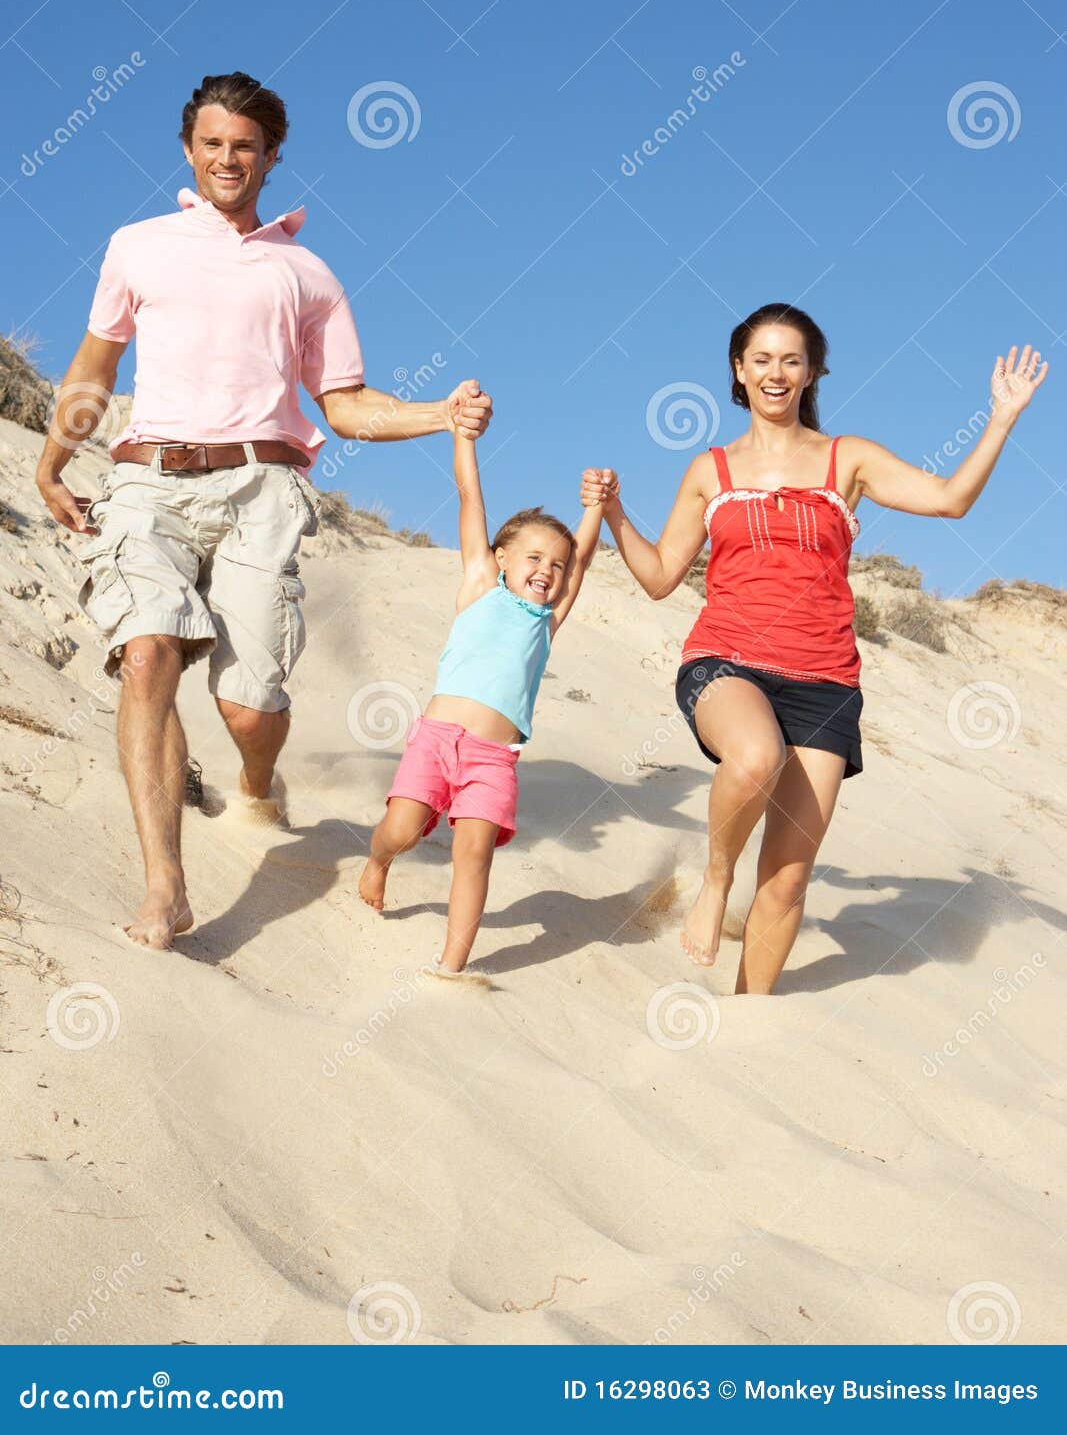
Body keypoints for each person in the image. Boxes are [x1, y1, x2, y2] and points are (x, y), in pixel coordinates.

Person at [35, 71, 492, 951]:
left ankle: (254, 781)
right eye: (211, 143)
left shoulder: (307, 272)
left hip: (263, 488)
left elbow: (347, 404)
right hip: (148, 478)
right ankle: (165, 887)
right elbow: (95, 368)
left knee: (248, 707)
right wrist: (54, 460)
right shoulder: (138, 246)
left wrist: (439, 414)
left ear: (272, 157)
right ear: (187, 150)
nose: (226, 159)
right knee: (147, 654)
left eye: (244, 146)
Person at [582, 304, 1048, 994]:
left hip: (824, 678)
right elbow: (657, 579)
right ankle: (715, 881)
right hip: (726, 658)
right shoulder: (709, 471)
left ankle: (750, 1019)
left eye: (790, 360)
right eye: (761, 359)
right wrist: (617, 513)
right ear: (738, 371)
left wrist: (1001, 418)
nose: (776, 373)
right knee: (754, 755)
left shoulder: (847, 458)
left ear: (811, 372)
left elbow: (949, 501)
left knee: (790, 878)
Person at [358, 432, 611, 974]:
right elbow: (470, 497)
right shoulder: (479, 587)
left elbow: (584, 560)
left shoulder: (548, 621)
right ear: (501, 557)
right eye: (534, 557)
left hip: (493, 759)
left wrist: (594, 509)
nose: (547, 570)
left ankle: (453, 961)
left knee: (473, 854)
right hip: (435, 742)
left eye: (557, 565)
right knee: (400, 831)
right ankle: (378, 861)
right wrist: (464, 438)